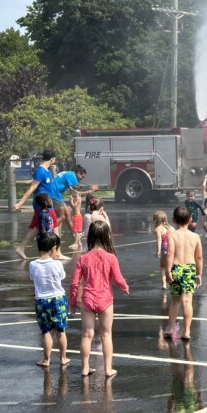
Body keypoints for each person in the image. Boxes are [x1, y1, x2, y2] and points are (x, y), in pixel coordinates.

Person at [70, 220, 129, 378]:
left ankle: (84, 368)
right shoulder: (111, 257)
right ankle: (108, 369)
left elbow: (75, 283)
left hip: (88, 299)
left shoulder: (83, 258)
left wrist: (73, 303)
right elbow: (118, 278)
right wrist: (124, 287)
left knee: (86, 335)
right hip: (105, 299)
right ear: (106, 236)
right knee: (106, 334)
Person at [29, 232, 70, 367]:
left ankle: (46, 360)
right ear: (54, 248)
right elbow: (62, 276)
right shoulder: (56, 264)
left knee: (47, 332)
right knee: (61, 331)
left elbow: (33, 278)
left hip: (42, 300)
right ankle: (63, 358)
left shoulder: (33, 264)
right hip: (58, 299)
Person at [164, 206, 204, 341]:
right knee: (187, 301)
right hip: (189, 270)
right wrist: (199, 274)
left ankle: (170, 328)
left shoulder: (172, 235)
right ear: (190, 219)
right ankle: (186, 331)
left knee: (175, 301)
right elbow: (199, 257)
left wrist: (168, 271)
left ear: (173, 220)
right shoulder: (195, 236)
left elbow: (170, 253)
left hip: (176, 268)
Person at [13, 149, 58, 259]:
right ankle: (57, 252)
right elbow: (32, 188)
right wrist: (20, 203)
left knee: (37, 227)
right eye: (55, 158)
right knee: (54, 223)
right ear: (52, 159)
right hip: (43, 204)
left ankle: (21, 247)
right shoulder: (41, 171)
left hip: (47, 202)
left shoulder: (46, 171)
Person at [153, 210, 175, 290]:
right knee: (172, 265)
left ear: (155, 221)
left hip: (165, 249)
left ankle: (164, 284)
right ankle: (173, 280)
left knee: (163, 266)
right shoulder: (172, 228)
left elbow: (159, 239)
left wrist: (158, 250)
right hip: (173, 249)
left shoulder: (158, 229)